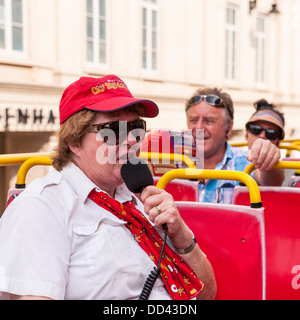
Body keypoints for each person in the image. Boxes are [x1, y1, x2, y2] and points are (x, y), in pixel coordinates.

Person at [0, 75, 216, 300]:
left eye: (136, 128)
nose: (132, 140)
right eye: (113, 130)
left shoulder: (141, 200)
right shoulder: (42, 206)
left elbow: (207, 295)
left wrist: (180, 234)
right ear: (74, 141)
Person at [185, 88, 285, 204]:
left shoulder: (246, 163)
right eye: (193, 120)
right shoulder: (173, 160)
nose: (199, 127)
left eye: (209, 121)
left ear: (228, 128)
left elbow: (271, 181)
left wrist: (269, 156)